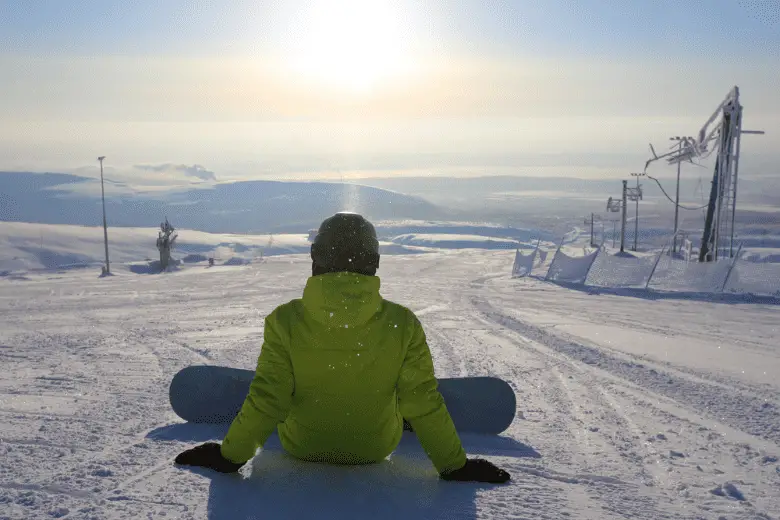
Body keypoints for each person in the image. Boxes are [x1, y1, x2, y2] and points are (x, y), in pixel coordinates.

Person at [175, 212, 510, 483]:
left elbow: (268, 397)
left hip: (301, 447)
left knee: (279, 397)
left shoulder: (284, 320)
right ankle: (386, 407)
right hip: (374, 449)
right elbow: (422, 400)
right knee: (406, 399)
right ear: (374, 262)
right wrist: (455, 466)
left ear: (315, 258)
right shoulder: (403, 323)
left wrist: (227, 457)